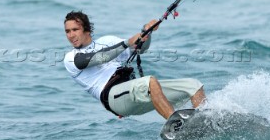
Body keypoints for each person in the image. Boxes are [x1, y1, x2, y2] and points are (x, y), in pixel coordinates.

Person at [64, 10, 206, 120]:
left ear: (87, 30)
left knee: (193, 86)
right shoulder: (71, 58)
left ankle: (207, 121)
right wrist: (127, 41)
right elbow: (100, 57)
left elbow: (140, 48)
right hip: (114, 98)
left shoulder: (107, 40)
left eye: (75, 30)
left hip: (136, 93)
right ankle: (177, 125)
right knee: (150, 82)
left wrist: (146, 33)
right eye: (67, 31)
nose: (70, 35)